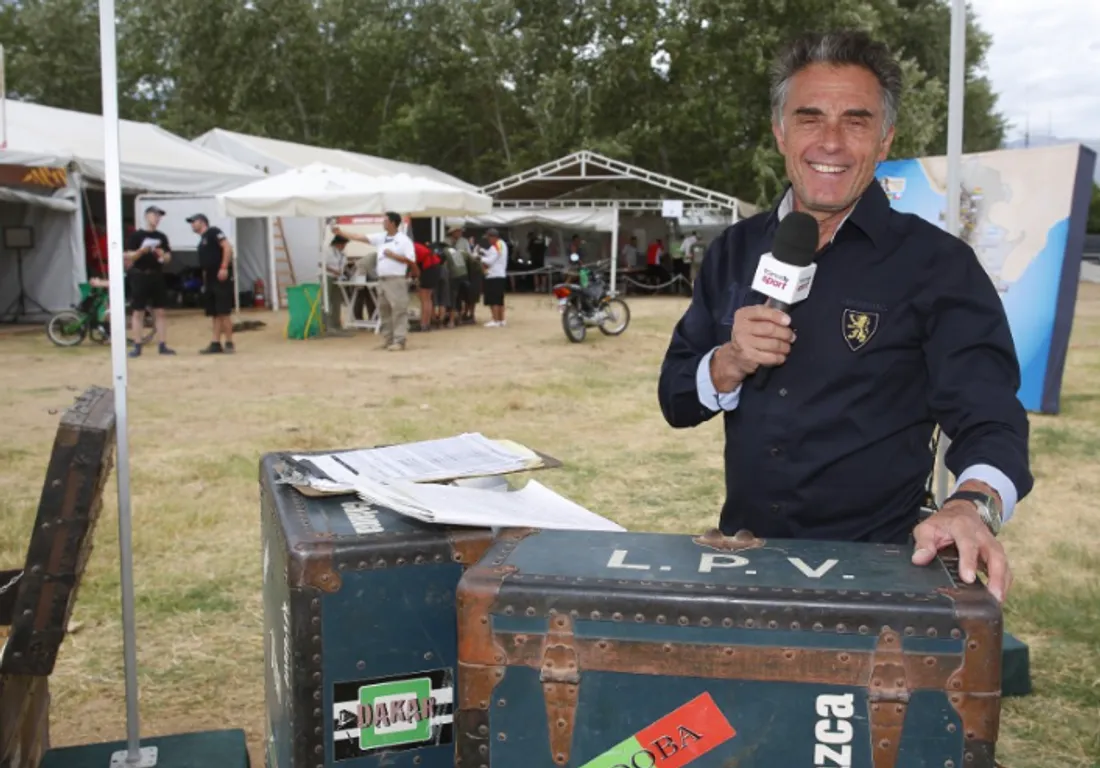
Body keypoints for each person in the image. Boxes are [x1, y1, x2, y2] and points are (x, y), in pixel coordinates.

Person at [656, 29, 1031, 604]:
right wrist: (727, 362)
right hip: (743, 559)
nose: (830, 142)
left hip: (880, 572)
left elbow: (991, 416)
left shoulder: (939, 265)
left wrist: (969, 502)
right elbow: (677, 399)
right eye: (810, 118)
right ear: (781, 132)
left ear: (884, 141)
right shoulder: (734, 248)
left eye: (855, 121)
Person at [333, 212, 416, 351]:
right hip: (382, 279)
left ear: (393, 223)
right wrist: (341, 232)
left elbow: (410, 260)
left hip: (396, 279)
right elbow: (360, 237)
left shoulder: (404, 240)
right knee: (384, 310)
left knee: (398, 310)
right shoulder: (381, 238)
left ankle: (400, 340)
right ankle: (389, 339)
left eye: (386, 220)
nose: (383, 223)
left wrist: (394, 256)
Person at [124, 205, 175, 357]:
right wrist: (142, 251)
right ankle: (137, 344)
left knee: (160, 311)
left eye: (159, 216)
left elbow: (168, 258)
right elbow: (129, 256)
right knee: (138, 311)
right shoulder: (136, 236)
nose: (157, 219)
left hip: (156, 275)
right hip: (140, 275)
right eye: (155, 215)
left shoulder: (162, 236)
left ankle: (162, 344)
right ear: (147, 216)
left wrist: (162, 255)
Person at [187, 214, 237, 354]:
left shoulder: (214, 232)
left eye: (193, 221)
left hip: (220, 276)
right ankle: (215, 342)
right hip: (209, 279)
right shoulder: (202, 241)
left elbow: (227, 247)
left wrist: (224, 267)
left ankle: (229, 342)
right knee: (214, 312)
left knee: (223, 311)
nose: (192, 225)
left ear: (202, 222)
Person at [322, 234, 355, 337]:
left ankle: (336, 325)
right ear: (338, 244)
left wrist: (344, 272)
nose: (344, 246)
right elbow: (321, 264)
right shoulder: (327, 251)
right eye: (343, 244)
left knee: (336, 302)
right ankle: (327, 325)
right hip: (327, 276)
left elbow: (343, 265)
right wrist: (334, 271)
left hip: (338, 278)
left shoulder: (342, 253)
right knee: (326, 301)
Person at [480, 228, 508, 327]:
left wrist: (480, 258)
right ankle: (501, 320)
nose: (488, 240)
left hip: (493, 275)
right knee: (499, 299)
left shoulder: (496, 245)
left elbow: (490, 261)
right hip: (500, 274)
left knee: (493, 299)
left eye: (489, 238)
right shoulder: (502, 244)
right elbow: (494, 255)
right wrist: (484, 251)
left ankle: (495, 320)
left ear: (493, 237)